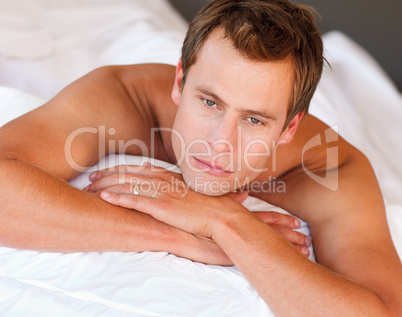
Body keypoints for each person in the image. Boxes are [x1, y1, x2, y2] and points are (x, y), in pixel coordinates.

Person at [0, 0, 401, 315]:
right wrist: (181, 237)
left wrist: (222, 220)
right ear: (180, 83)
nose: (219, 143)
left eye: (254, 120)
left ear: (289, 128)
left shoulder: (329, 168)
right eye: (209, 102)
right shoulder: (122, 96)